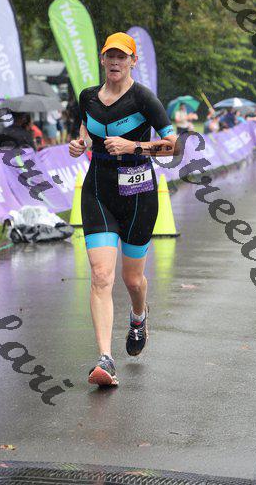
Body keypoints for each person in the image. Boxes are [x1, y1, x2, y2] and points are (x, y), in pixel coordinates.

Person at [69, 32, 177, 387]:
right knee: (101, 275)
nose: (115, 62)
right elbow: (85, 129)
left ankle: (139, 315)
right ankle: (105, 358)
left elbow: (173, 146)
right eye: (110, 56)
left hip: (138, 195)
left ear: (132, 61)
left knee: (132, 280)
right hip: (98, 191)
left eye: (122, 56)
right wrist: (79, 143)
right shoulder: (87, 97)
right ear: (103, 59)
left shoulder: (144, 98)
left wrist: (133, 146)